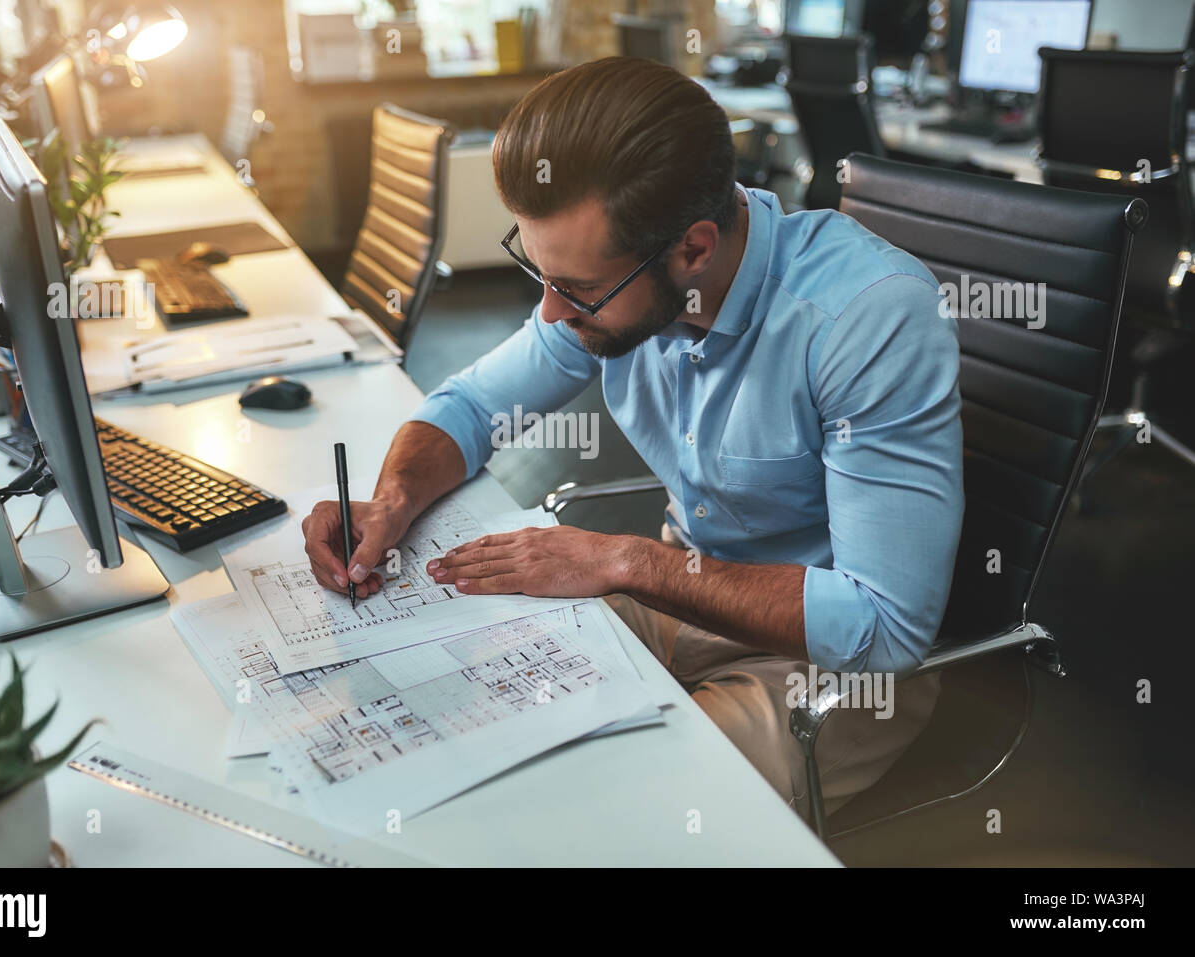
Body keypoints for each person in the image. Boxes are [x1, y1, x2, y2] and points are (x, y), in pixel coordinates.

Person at [301, 56, 963, 815]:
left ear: (694, 250)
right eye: (538, 271)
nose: (551, 313)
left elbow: (882, 627)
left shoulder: (866, 319)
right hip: (681, 594)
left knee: (610, 803)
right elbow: (474, 405)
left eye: (577, 289)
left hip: (830, 663)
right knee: (454, 707)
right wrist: (390, 502)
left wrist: (627, 559)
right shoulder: (614, 285)